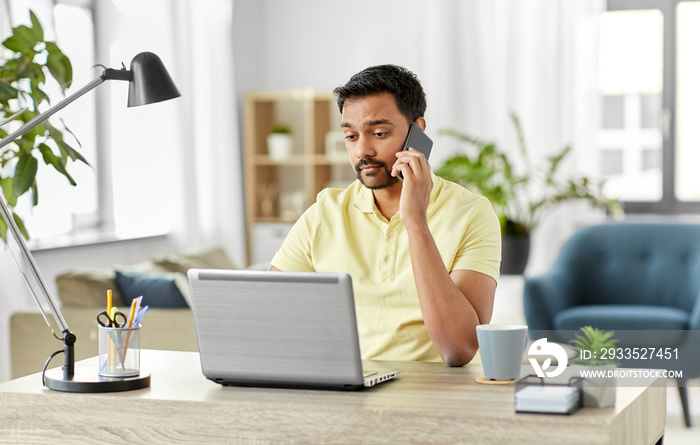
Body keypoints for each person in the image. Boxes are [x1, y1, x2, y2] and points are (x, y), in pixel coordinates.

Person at [269, 65, 501, 366]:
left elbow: (459, 349)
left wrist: (415, 220)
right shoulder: (325, 212)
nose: (362, 150)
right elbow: (271, 318)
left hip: (438, 394)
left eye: (379, 133)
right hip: (349, 389)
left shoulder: (471, 213)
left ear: (417, 131)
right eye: (351, 137)